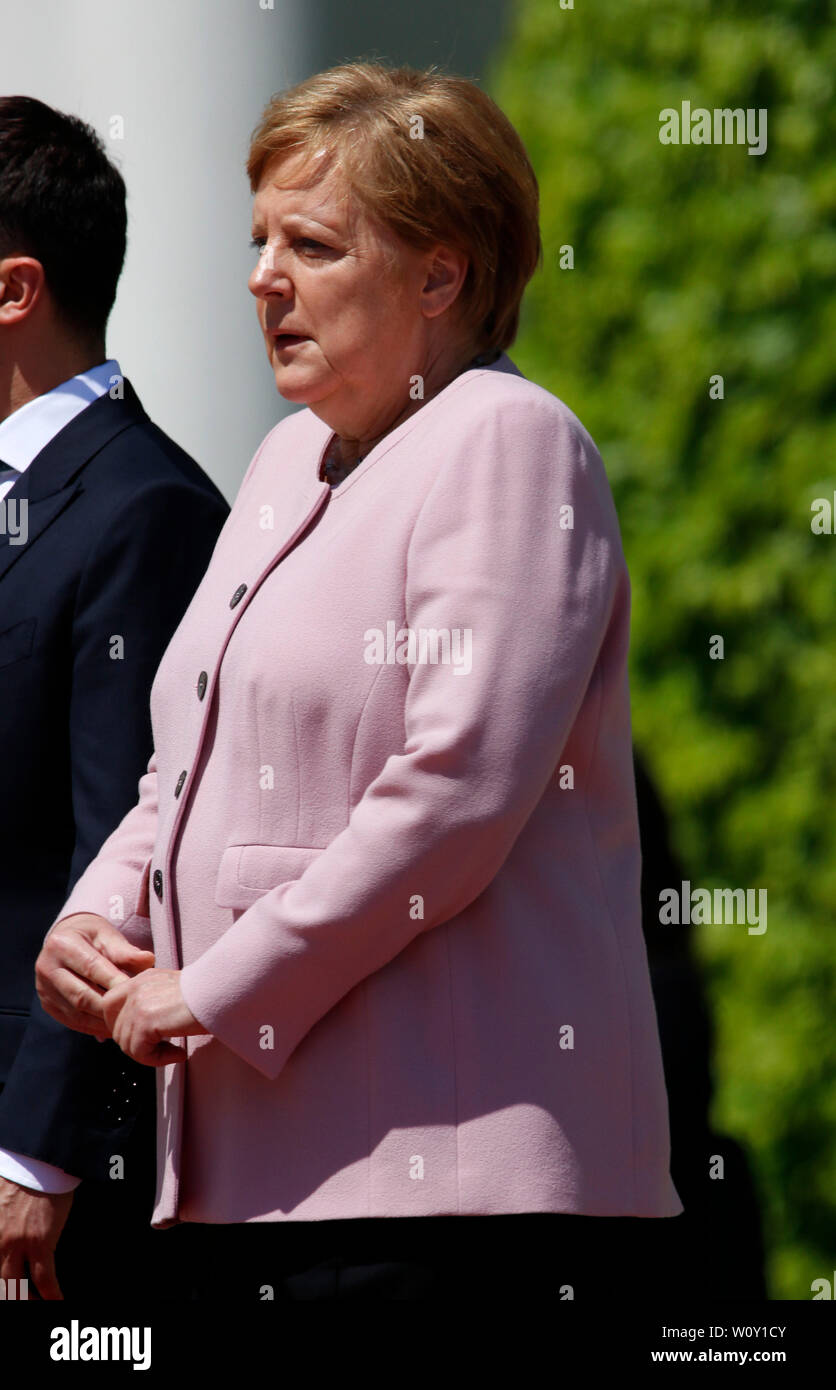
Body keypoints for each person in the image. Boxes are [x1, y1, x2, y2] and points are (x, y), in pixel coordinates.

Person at [36, 61, 682, 1300]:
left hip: (448, 1191)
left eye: (313, 244)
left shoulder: (506, 438)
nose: (260, 276)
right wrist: (95, 920)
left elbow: (453, 794)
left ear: (440, 274)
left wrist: (214, 990)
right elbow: (186, 762)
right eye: (259, 239)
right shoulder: (285, 460)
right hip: (258, 1182)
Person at [0, 96, 228, 1300]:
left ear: (13, 289)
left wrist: (35, 1148)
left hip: (42, 1175)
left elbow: (131, 848)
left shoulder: (148, 507)